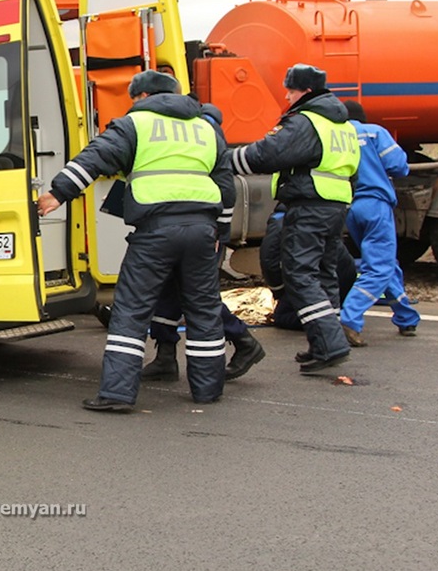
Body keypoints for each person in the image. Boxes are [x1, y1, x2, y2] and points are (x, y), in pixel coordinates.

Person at [37, 69, 232, 412]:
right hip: (203, 229)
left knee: (132, 309)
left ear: (143, 97)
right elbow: (226, 185)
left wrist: (56, 194)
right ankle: (208, 390)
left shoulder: (136, 124)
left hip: (156, 230)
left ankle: (117, 393)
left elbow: (94, 158)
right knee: (203, 310)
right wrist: (221, 234)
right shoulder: (206, 128)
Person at [230, 64, 359, 374]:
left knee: (299, 274)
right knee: (324, 273)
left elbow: (268, 154)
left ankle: (331, 344)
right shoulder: (342, 125)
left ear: (307, 91)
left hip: (308, 205)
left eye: (291, 89)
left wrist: (225, 160)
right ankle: (324, 341)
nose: (286, 95)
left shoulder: (307, 122)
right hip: (334, 206)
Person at [142, 102, 266, 382]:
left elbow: (223, 189)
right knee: (171, 290)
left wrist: (219, 233)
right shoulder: (202, 130)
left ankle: (244, 341)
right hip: (195, 226)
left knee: (195, 293)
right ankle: (165, 356)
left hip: (200, 227)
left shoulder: (202, 131)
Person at [339, 100, 421, 343]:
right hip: (376, 204)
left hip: (350, 207)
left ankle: (406, 318)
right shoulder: (374, 132)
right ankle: (350, 318)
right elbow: (398, 166)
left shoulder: (338, 136)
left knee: (385, 263)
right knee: (379, 267)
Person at [261, 203, 357, 330]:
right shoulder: (321, 216)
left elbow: (268, 261)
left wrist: (279, 291)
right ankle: (333, 319)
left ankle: (327, 324)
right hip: (342, 278)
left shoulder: (282, 222)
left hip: (316, 279)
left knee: (282, 315)